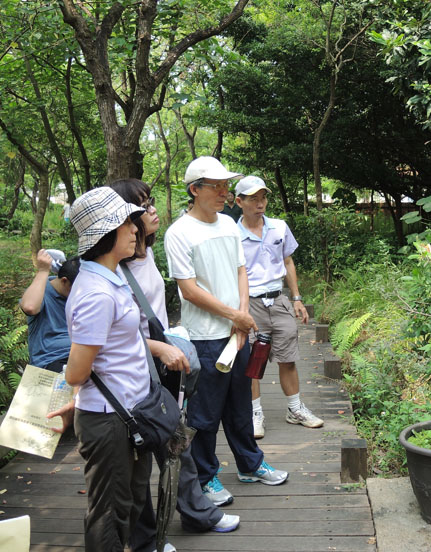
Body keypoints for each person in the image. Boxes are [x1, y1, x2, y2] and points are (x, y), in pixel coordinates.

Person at [109, 179, 240, 551]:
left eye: (150, 202)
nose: (153, 211)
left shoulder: (145, 253)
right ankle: (146, 539)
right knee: (140, 463)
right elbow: (107, 336)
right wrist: (157, 347)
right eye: (142, 206)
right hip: (130, 376)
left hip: (158, 368)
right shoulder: (111, 268)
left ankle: (197, 513)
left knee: (174, 440)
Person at [164, 156, 288, 509]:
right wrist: (235, 315)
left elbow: (241, 272)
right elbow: (188, 289)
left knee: (240, 405)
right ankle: (206, 478)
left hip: (238, 333)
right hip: (203, 338)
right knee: (204, 414)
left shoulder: (229, 226)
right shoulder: (179, 233)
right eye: (216, 186)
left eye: (225, 185)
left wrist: (243, 316)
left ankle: (251, 464)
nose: (224, 192)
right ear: (195, 190)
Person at [64, 187, 150, 551]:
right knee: (109, 514)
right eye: (127, 223)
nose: (136, 229)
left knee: (128, 504)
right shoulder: (97, 293)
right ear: (105, 233)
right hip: (108, 418)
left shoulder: (111, 278)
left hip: (127, 412)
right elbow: (76, 374)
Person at [234, 176, 323, 438]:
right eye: (253, 198)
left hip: (279, 300)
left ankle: (295, 409)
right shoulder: (231, 235)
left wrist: (297, 298)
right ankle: (255, 413)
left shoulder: (279, 228)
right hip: (249, 302)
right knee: (253, 360)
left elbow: (288, 263)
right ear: (239, 202)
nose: (260, 203)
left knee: (288, 357)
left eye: (263, 197)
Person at [19, 250, 80, 372]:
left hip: (83, 353)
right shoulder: (41, 291)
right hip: (53, 360)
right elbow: (30, 307)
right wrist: (43, 271)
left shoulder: (81, 295)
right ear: (64, 281)